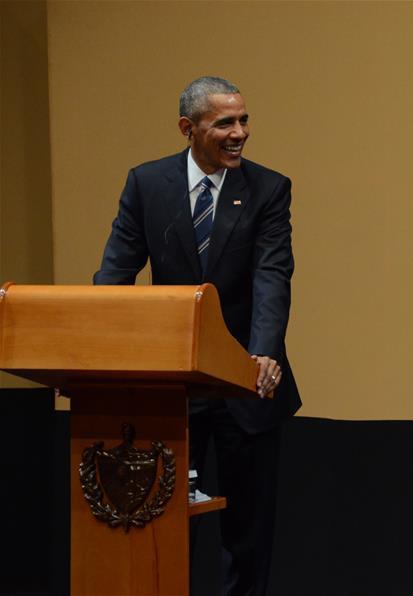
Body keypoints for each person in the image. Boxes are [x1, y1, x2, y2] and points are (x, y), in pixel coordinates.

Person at [94, 76, 301, 595]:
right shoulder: (147, 184)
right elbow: (114, 277)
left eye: (244, 120)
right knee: (166, 528)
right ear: (189, 128)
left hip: (245, 383)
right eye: (225, 123)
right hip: (172, 387)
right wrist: (94, 351)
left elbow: (271, 276)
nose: (240, 133)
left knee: (247, 536)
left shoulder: (269, 189)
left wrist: (262, 353)